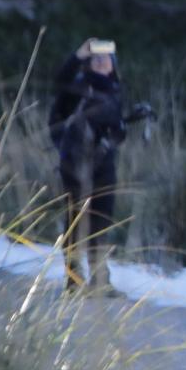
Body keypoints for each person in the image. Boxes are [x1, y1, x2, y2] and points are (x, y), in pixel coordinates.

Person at [47, 38, 132, 294]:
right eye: (95, 60)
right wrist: (77, 56)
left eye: (105, 60)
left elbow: (116, 128)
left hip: (104, 166)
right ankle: (73, 281)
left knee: (101, 223)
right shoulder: (78, 87)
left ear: (112, 66)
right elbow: (60, 83)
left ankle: (100, 281)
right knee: (75, 221)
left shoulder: (114, 90)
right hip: (75, 165)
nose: (101, 63)